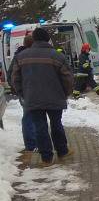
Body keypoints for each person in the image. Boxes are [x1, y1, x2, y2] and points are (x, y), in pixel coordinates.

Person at [10, 27, 74, 166]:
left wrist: (23, 92)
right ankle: (62, 151)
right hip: (55, 97)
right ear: (47, 39)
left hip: (32, 98)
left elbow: (15, 78)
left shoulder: (22, 56)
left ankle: (46, 158)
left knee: (40, 127)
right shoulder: (57, 56)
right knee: (56, 124)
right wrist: (65, 93)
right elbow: (67, 78)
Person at [9, 35, 38, 164]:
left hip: (24, 92)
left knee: (29, 116)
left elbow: (11, 76)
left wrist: (18, 89)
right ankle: (32, 144)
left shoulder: (18, 56)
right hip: (28, 92)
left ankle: (32, 143)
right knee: (29, 117)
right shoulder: (26, 56)